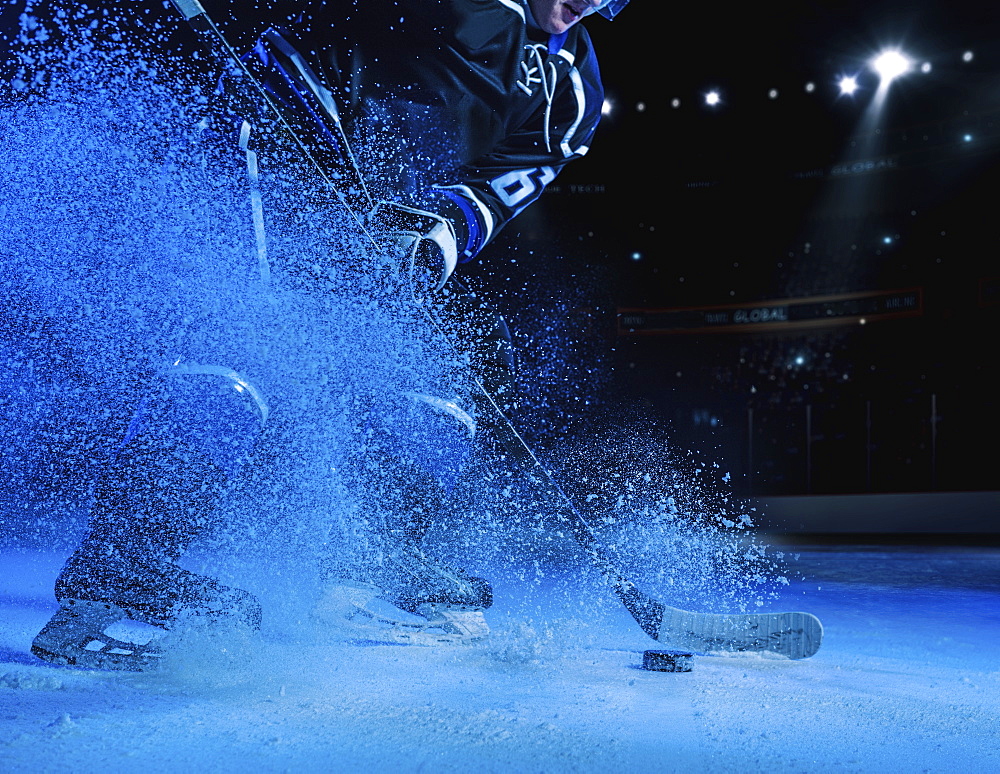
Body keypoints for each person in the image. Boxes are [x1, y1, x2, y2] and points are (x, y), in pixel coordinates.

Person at [31, 0, 627, 669]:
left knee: (437, 372)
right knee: (240, 342)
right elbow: (316, 33)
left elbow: (497, 187)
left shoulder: (572, 91)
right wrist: (341, 176)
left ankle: (368, 560)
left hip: (378, 197)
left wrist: (438, 233)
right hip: (268, 130)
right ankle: (120, 575)